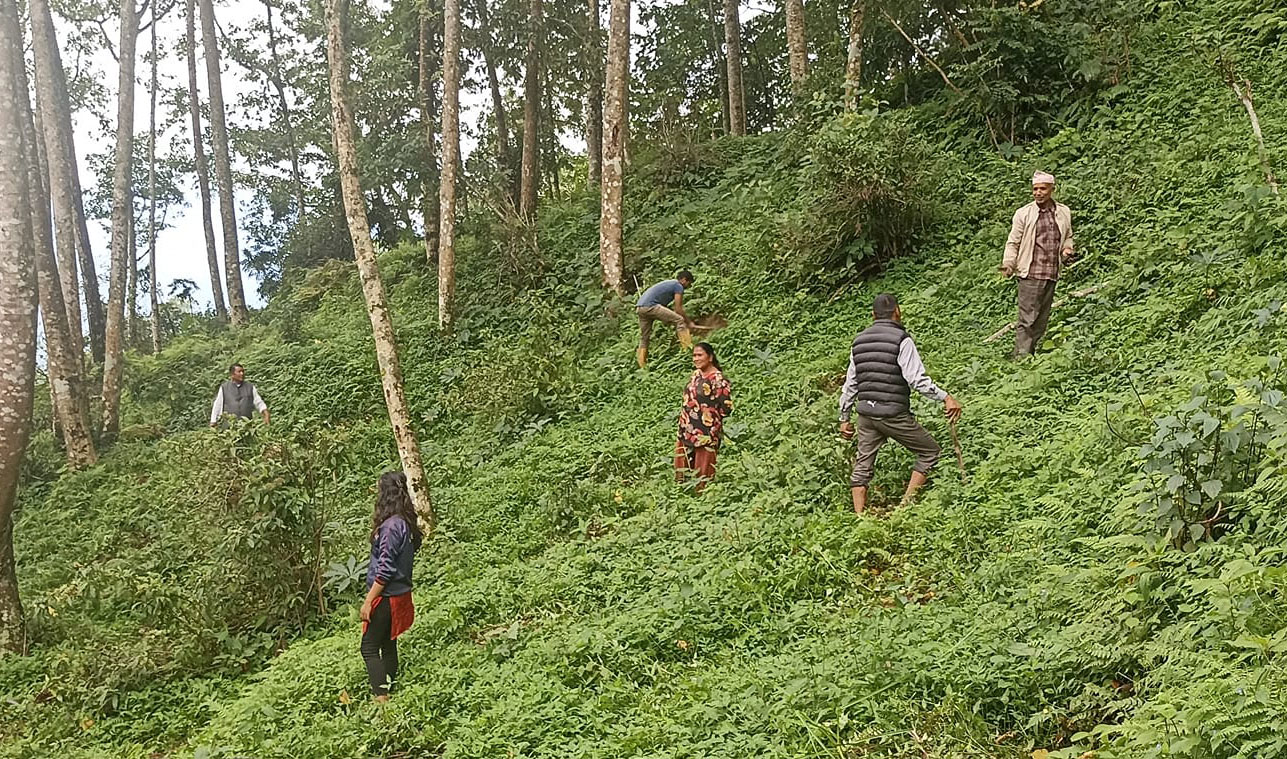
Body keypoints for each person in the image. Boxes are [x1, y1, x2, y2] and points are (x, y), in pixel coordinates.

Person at [838, 294, 962, 515]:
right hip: (892, 414)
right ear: (897, 311)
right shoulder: (901, 339)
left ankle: (859, 516)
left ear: (873, 315)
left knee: (863, 465)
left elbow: (851, 383)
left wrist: (844, 418)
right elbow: (916, 379)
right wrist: (945, 397)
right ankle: (904, 508)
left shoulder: (859, 342)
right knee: (929, 452)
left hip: (866, 414)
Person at [360, 471, 423, 702]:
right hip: (400, 593)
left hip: (386, 596)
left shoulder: (390, 527)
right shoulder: (406, 523)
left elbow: (385, 569)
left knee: (368, 647)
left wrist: (368, 601)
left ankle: (382, 698)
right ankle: (389, 686)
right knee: (388, 643)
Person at [1001, 171, 1075, 357]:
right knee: (1027, 319)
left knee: (1042, 319)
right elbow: (1013, 242)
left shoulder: (1063, 212)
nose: (1038, 193)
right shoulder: (1024, 214)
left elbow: (1067, 238)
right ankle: (1021, 358)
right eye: (1035, 189)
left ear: (1052, 189)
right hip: (1030, 272)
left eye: (1043, 188)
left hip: (1051, 272)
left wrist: (1067, 251)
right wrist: (1008, 264)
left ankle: (1029, 352)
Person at [674, 342, 733, 492]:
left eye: (699, 355)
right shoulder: (696, 375)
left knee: (703, 469)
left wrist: (710, 418)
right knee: (684, 464)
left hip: (706, 430)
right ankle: (683, 493)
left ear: (710, 357)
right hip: (687, 426)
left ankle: (702, 496)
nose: (696, 359)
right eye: (694, 355)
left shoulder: (718, 380)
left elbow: (726, 406)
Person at [636, 270, 696, 368]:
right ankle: (688, 352)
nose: (688, 286)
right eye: (689, 283)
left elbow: (666, 311)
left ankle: (641, 365)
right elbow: (678, 308)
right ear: (684, 280)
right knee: (680, 320)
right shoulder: (678, 286)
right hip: (651, 306)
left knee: (644, 338)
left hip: (640, 308)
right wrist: (689, 322)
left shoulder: (669, 283)